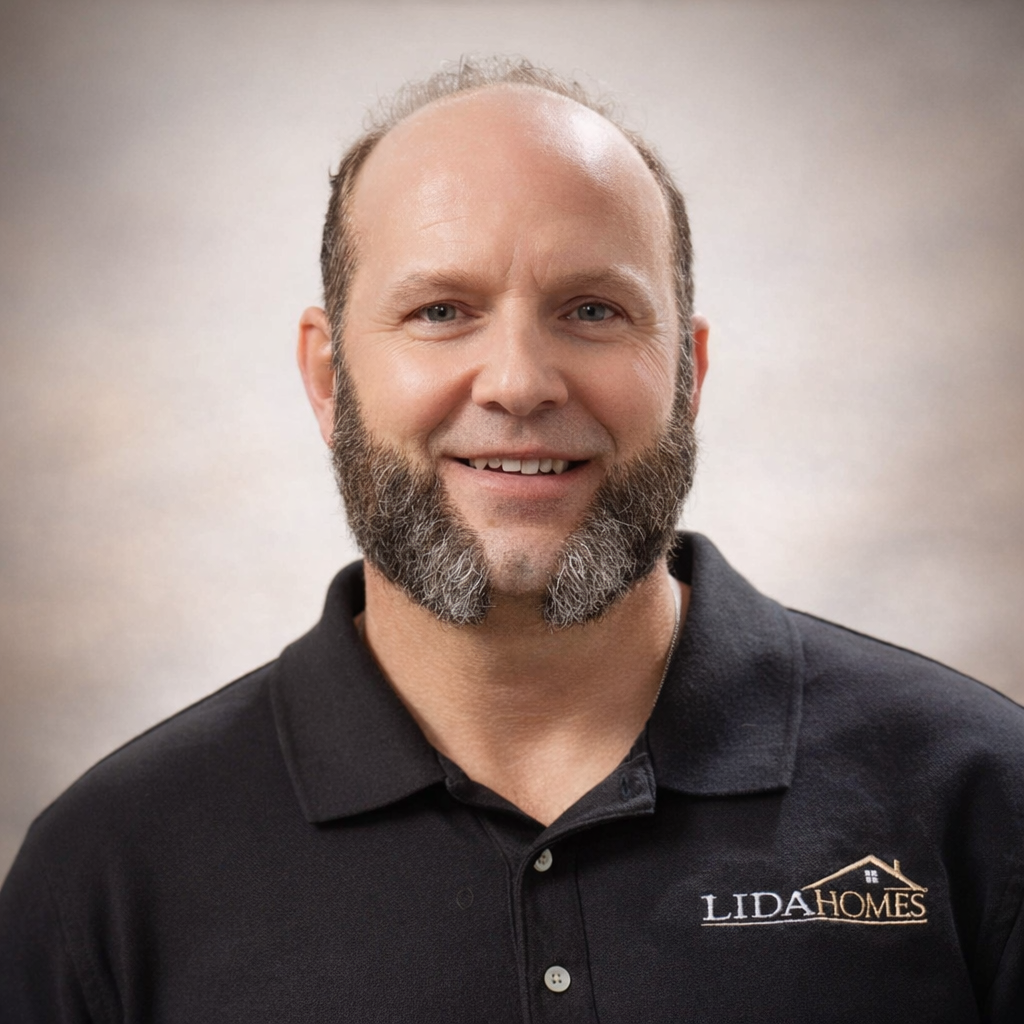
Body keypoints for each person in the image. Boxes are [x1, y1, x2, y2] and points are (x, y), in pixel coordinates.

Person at [1, 56, 1021, 1023]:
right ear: (326, 376)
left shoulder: (980, 798)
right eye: (442, 310)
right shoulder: (110, 872)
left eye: (591, 308)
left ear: (688, 372)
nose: (521, 381)